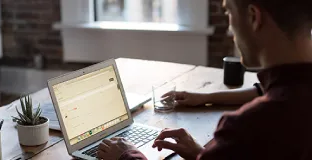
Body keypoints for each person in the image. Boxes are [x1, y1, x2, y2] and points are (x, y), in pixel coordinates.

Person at [97, 0, 312, 159]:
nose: (230, 30)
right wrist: (204, 154)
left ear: (253, 17)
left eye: (228, 12)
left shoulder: (249, 127)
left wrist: (128, 155)